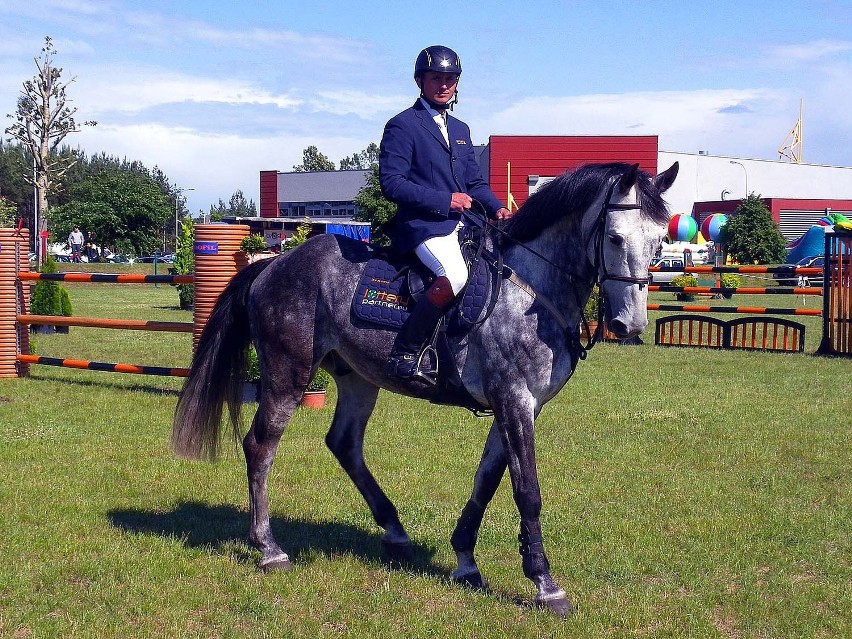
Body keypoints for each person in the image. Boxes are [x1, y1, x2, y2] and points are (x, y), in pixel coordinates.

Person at [379, 45, 513, 380]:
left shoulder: (461, 130)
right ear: (420, 81)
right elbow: (391, 184)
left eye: (450, 79)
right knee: (455, 276)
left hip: (467, 224)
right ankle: (405, 352)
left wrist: (497, 208)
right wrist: (445, 200)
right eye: (436, 78)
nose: (443, 85)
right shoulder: (403, 125)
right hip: (424, 226)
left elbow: (475, 182)